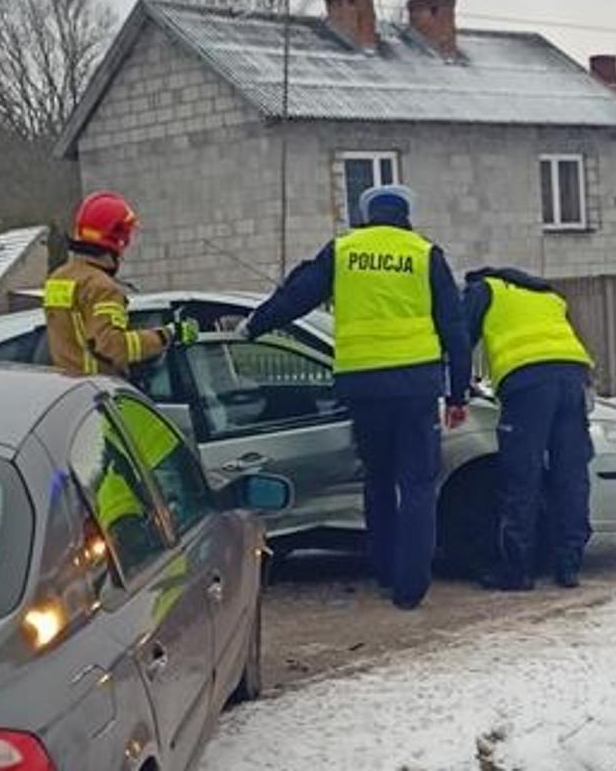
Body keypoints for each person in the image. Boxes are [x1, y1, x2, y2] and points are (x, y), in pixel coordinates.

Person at [238, 185, 471, 610]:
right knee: (418, 486)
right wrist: (458, 395)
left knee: (378, 480)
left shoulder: (344, 251)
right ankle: (411, 587)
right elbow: (455, 329)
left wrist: (254, 325)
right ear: (406, 214)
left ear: (365, 214)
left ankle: (383, 570)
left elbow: (298, 294)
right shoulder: (424, 253)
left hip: (363, 386)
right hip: (417, 387)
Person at [462, 267, 596, 591]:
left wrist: (456, 387)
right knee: (571, 473)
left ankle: (517, 570)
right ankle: (568, 565)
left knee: (522, 474)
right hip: (572, 379)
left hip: (528, 384)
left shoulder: (484, 290)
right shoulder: (548, 295)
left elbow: (460, 337)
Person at [45, 191, 196, 379]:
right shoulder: (101, 288)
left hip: (68, 389)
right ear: (116, 238)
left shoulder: (58, 279)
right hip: (100, 391)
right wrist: (168, 334)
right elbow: (111, 347)